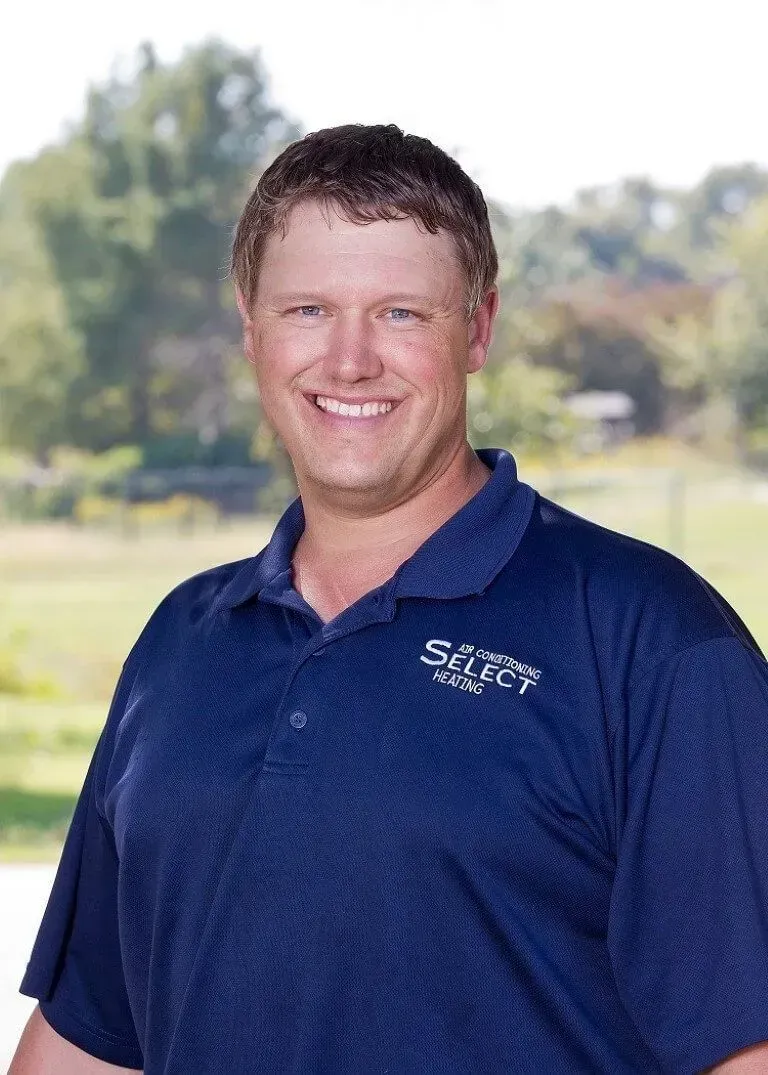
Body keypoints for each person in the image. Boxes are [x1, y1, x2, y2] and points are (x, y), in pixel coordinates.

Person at [10, 123, 768, 1075]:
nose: (350, 360)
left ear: (479, 329)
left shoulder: (652, 643)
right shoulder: (181, 643)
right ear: (252, 326)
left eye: (403, 313)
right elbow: (90, 1039)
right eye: (309, 310)